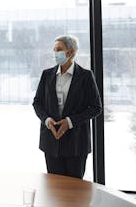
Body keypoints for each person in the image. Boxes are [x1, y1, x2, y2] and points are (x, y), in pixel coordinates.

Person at [32, 35, 102, 179]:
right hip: (51, 141)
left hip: (76, 144)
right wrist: (47, 120)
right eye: (54, 50)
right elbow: (37, 102)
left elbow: (96, 107)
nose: (55, 54)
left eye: (59, 50)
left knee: (74, 191)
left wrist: (69, 122)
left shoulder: (86, 76)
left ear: (71, 52)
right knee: (54, 189)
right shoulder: (47, 75)